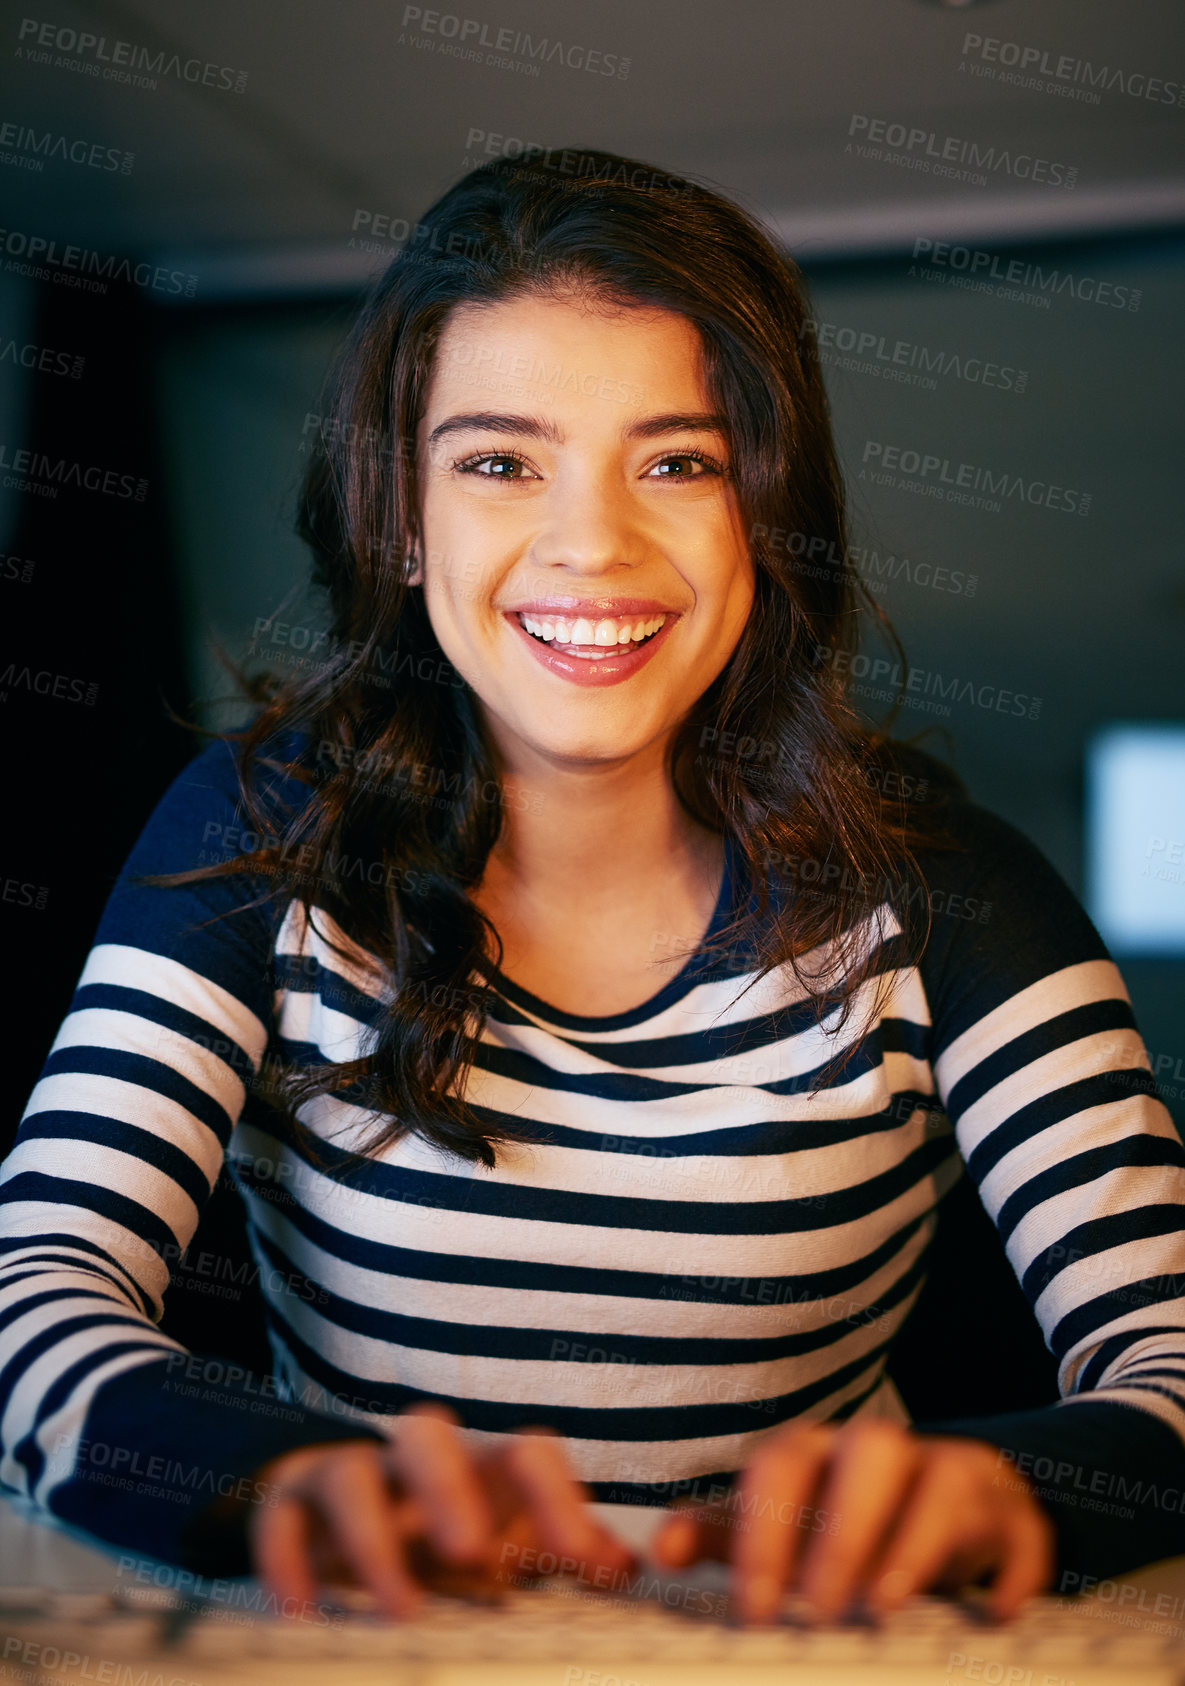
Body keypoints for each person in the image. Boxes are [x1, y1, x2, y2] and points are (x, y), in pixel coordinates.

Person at [2, 147, 1183, 1629]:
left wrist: (1015, 1485)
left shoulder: (946, 893)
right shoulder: (260, 842)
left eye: (678, 460)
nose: (591, 544)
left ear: (764, 511)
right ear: (403, 517)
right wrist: (258, 1473)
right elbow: (33, 1287)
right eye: (499, 459)